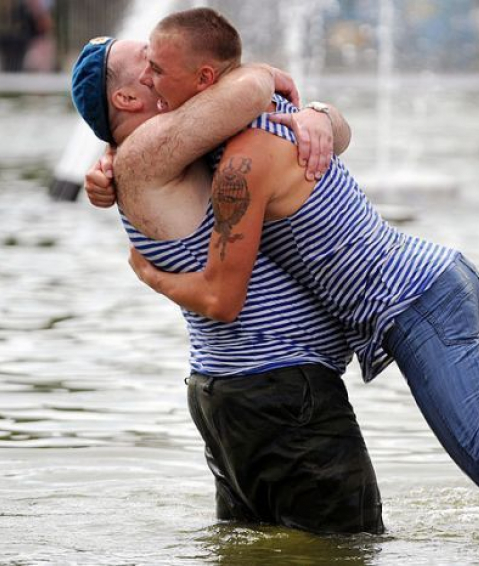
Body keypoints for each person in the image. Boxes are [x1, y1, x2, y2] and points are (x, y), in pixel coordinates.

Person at [106, 8, 479, 499]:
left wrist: (147, 272)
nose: (150, 85)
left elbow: (223, 295)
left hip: (412, 303)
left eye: (158, 71)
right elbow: (182, 143)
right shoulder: (279, 119)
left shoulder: (244, 156)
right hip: (444, 273)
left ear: (206, 80)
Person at [71, 34, 385, 534]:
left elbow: (317, 130)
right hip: (278, 390)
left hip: (242, 391)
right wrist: (262, 72)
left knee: (257, 546)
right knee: (349, 547)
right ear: (128, 98)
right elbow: (251, 90)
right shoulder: (148, 151)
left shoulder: (170, 150)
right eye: (149, 62)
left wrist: (318, 117)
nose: (163, 63)